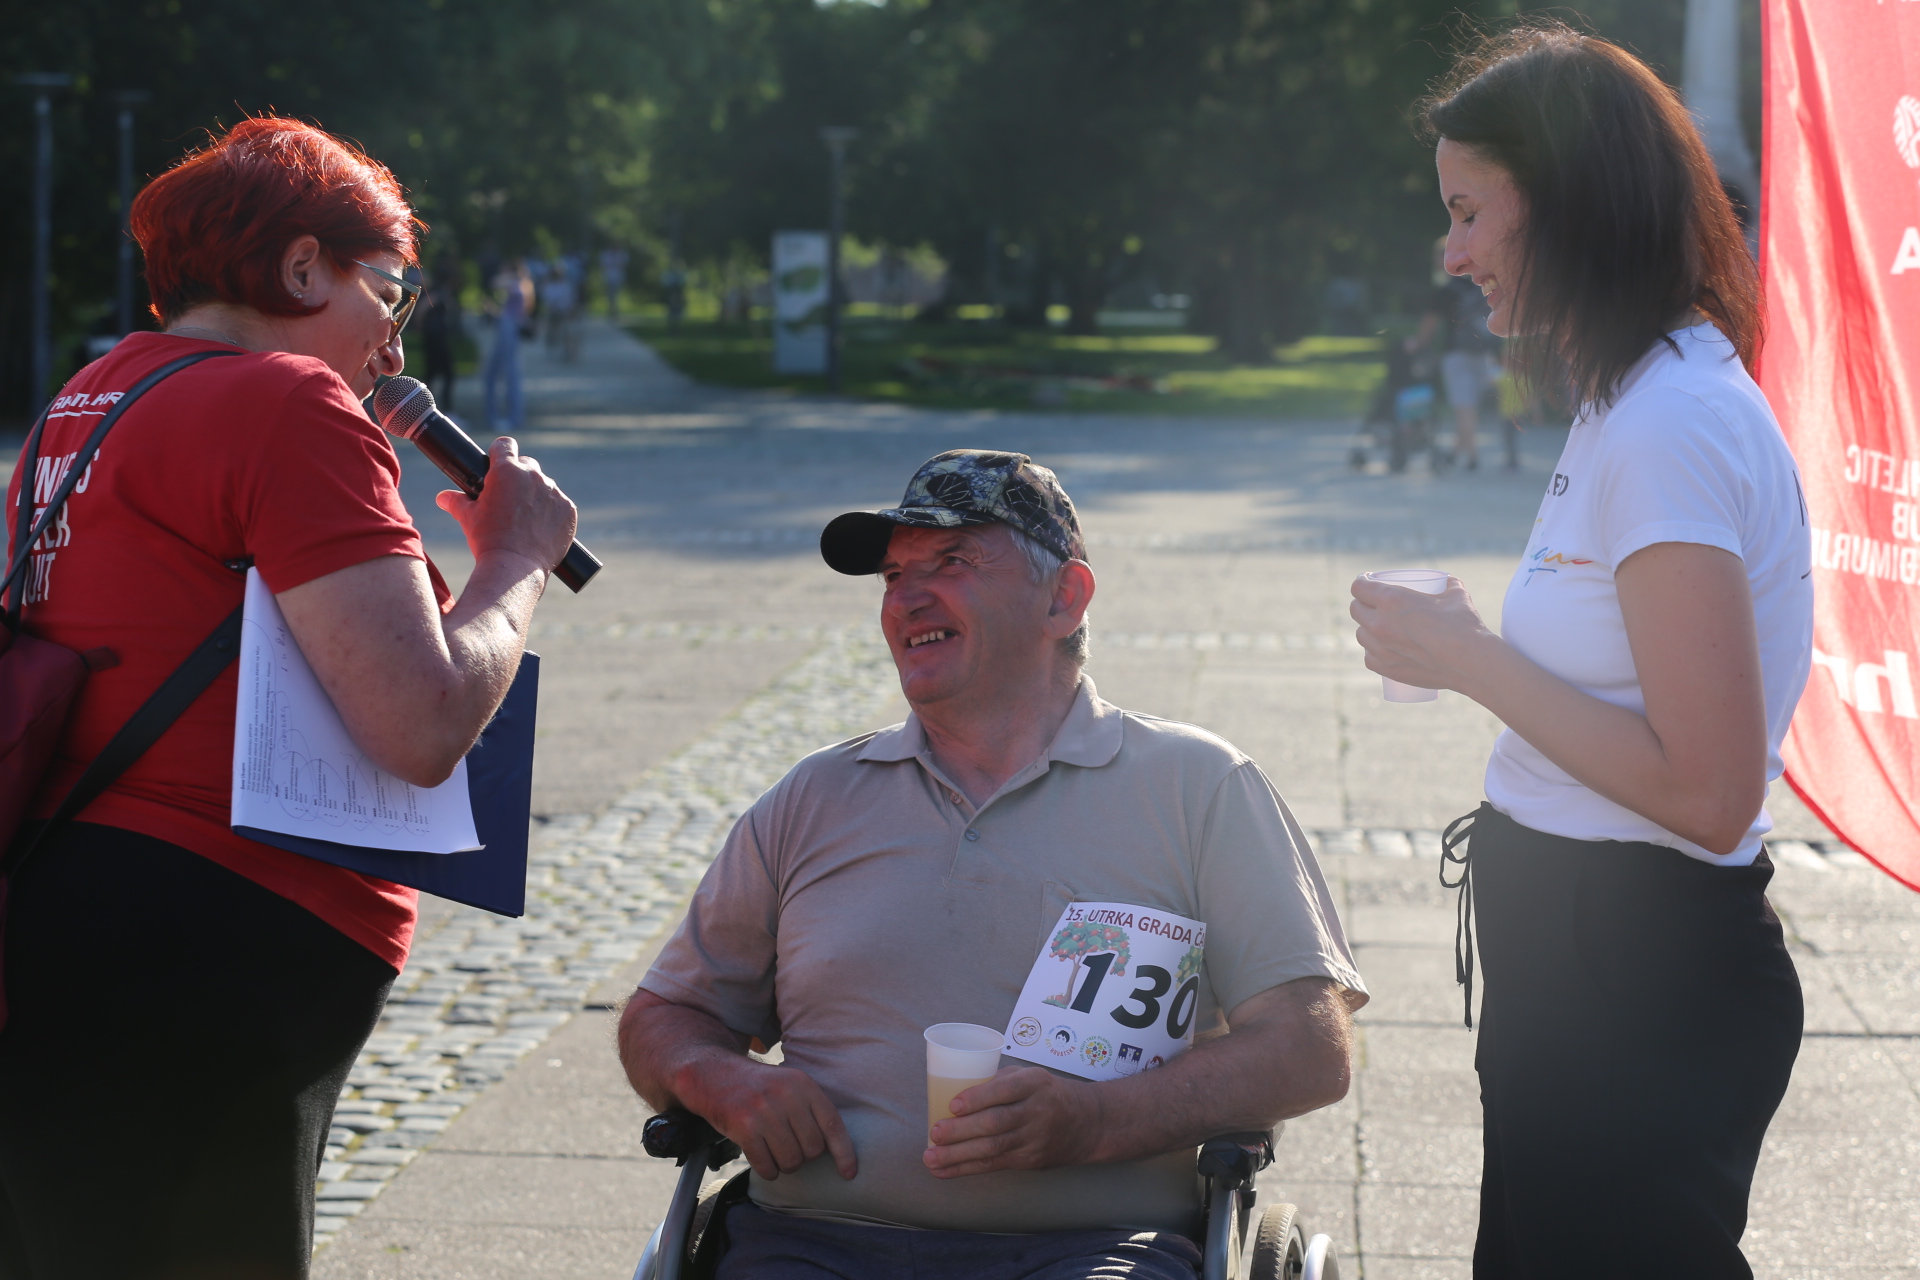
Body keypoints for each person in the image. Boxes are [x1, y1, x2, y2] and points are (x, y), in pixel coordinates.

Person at [0, 117, 578, 1275]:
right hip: (216, 937)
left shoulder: (89, 398)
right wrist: (515, 559)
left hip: (64, 902)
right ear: (304, 266)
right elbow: (420, 722)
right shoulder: (287, 402)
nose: (393, 340)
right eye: (388, 290)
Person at [620, 450, 1367, 1280]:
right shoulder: (814, 798)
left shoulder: (1198, 788)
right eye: (893, 575)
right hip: (812, 1241)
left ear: (1064, 597)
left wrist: (1099, 1122)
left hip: (1092, 1249)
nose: (906, 598)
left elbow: (1309, 1047)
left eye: (953, 561)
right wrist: (720, 1080)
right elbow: (665, 1015)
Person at [1349, 25, 1809, 1278]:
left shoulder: (1669, 420)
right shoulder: (1634, 396)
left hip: (1636, 971)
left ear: (1570, 202)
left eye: (1468, 213)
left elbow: (1710, 792)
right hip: (1592, 963)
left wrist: (1468, 656)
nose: (1450, 254)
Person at [484, 258, 533, 430]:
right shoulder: (523, 285)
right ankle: (508, 416)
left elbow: (495, 283)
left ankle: (512, 418)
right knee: (503, 374)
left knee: (509, 374)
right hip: (508, 327)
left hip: (508, 329)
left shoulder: (517, 283)